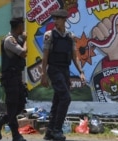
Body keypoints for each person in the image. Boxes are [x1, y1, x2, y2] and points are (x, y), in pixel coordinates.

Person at [40, 9, 85, 141]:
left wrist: (81, 72)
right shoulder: (50, 35)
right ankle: (57, 130)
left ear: (64, 20)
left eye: (58, 19)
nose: (55, 22)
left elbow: (74, 57)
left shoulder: (70, 37)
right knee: (66, 98)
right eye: (54, 19)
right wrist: (43, 73)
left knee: (58, 101)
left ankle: (49, 132)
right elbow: (45, 56)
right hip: (54, 69)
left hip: (65, 70)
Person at [0, 17, 27, 141]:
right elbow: (23, 53)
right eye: (22, 25)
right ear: (18, 26)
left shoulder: (16, 39)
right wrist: (25, 40)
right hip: (10, 78)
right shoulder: (9, 40)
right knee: (12, 105)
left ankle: (0, 121)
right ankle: (15, 135)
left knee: (20, 104)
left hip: (16, 77)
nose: (24, 28)